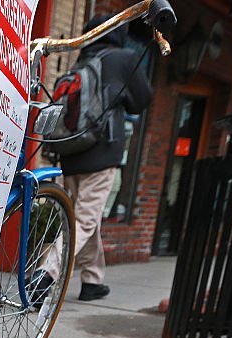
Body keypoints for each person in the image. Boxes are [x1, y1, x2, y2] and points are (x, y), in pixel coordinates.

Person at [34, 15, 154, 302]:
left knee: (85, 218)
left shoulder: (81, 62)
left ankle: (92, 281)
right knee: (86, 220)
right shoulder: (123, 59)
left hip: (71, 152)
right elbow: (142, 99)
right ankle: (45, 275)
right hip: (102, 152)